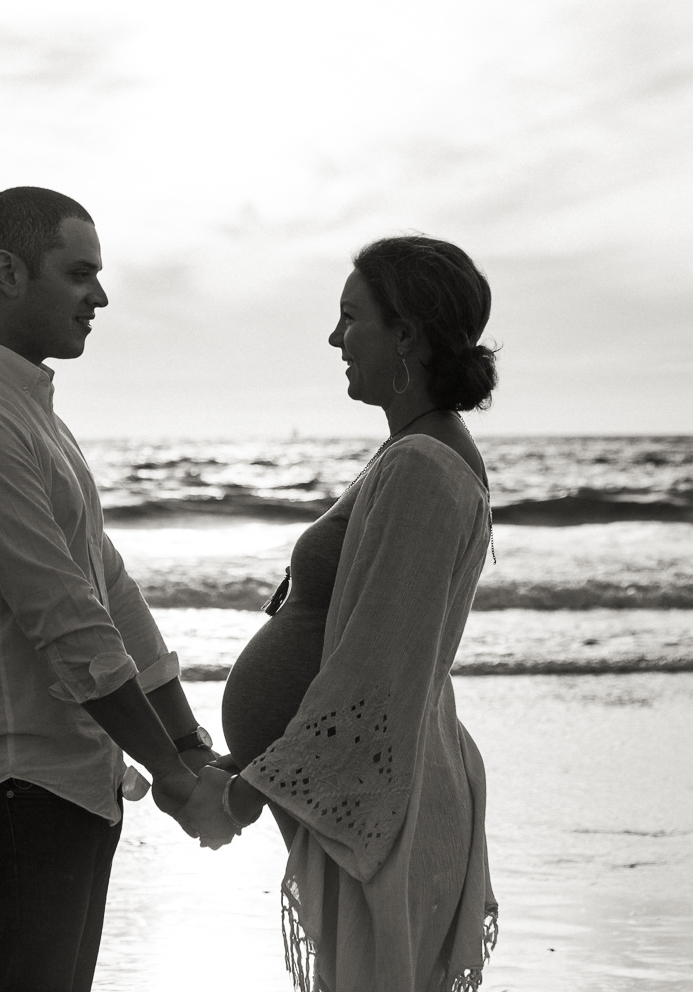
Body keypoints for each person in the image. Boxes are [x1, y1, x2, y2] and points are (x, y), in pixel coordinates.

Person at [0, 187, 229, 992]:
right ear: (7, 271)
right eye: (79, 273)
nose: (100, 296)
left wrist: (185, 745)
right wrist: (177, 782)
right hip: (10, 789)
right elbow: (68, 625)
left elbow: (108, 588)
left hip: (67, 785)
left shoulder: (26, 409)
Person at [198, 234, 501, 992]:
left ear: (407, 334)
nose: (335, 338)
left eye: (350, 318)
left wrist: (241, 794)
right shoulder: (417, 454)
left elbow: (375, 677)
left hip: (386, 816)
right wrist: (258, 765)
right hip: (376, 803)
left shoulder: (422, 468)